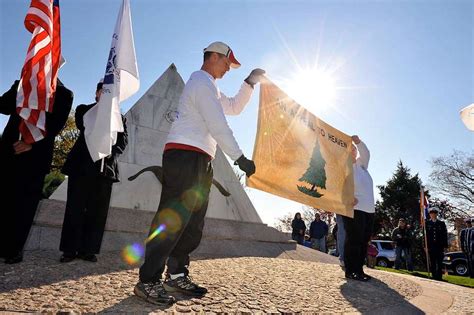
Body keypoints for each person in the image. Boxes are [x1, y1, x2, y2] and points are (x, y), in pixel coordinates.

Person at [134, 41, 265, 305]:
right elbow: (218, 124)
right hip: (184, 155)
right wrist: (239, 158)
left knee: (193, 222)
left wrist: (249, 83)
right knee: (172, 218)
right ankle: (148, 280)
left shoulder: (211, 89)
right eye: (227, 62)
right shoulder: (200, 83)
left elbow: (235, 108)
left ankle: (177, 274)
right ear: (213, 56)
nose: (229, 68)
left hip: (202, 158)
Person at [0, 80, 73, 264]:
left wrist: (30, 143)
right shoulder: (21, 84)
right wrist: (23, 87)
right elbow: (4, 106)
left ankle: (13, 249)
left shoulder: (64, 93)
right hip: (8, 152)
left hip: (35, 157)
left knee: (25, 205)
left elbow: (55, 125)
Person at [58, 81, 128, 263]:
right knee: (75, 208)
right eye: (103, 91)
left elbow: (122, 142)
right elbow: (84, 126)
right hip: (81, 167)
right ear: (97, 93)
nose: (106, 95)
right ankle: (69, 250)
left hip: (105, 169)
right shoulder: (84, 110)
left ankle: (88, 250)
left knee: (97, 212)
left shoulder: (120, 118)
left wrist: (110, 152)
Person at [342, 135, 375, 281]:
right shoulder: (343, 167)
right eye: (351, 149)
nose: (354, 151)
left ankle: (359, 270)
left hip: (369, 210)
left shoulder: (362, 165)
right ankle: (351, 270)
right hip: (354, 208)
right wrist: (348, 197)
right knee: (354, 239)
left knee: (363, 240)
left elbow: (366, 153)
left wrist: (358, 142)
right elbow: (337, 186)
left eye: (355, 149)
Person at [425, 207, 448, 281]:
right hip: (431, 246)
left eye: (434, 213)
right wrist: (425, 245)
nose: (433, 215)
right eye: (431, 213)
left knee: (439, 261)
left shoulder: (441, 223)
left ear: (437, 214)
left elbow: (445, 235)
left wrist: (445, 246)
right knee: (432, 261)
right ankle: (434, 275)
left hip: (439, 246)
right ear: (429, 214)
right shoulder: (427, 223)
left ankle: (439, 276)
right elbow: (424, 235)